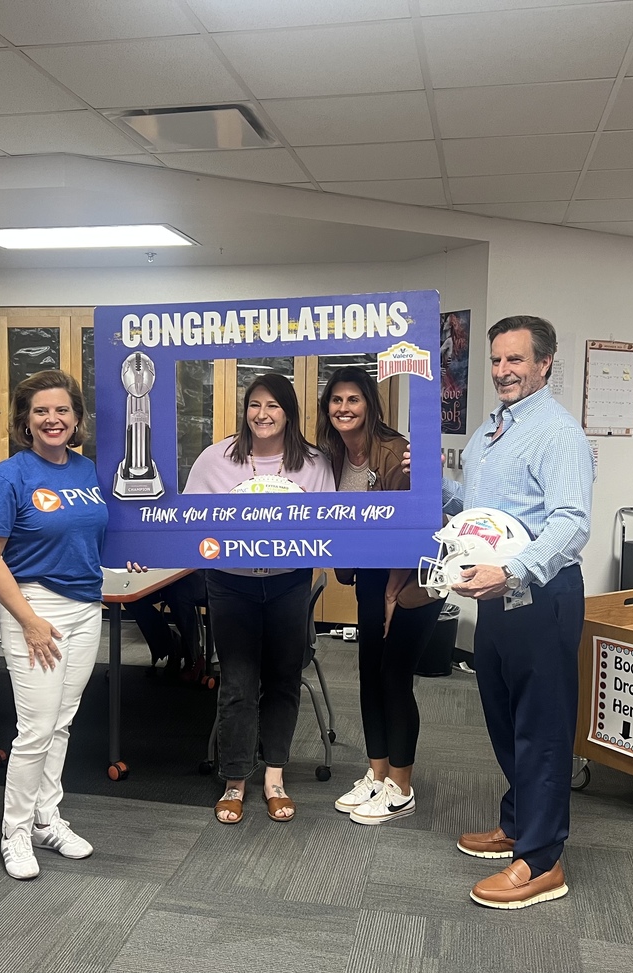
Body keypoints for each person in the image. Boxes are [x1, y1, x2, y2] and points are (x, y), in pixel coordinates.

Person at [442, 315, 593, 909]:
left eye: (515, 361)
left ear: (544, 364)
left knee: (543, 730)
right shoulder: (489, 432)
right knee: (503, 716)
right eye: (497, 361)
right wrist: (428, 483)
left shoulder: (559, 433)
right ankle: (516, 823)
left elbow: (571, 524)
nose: (503, 372)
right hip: (497, 599)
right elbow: (475, 509)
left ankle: (541, 859)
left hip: (541, 596)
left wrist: (511, 570)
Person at [0, 370, 109, 880]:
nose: (53, 419)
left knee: (62, 722)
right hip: (36, 609)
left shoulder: (86, 469)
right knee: (34, 730)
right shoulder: (9, 476)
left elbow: (88, 536)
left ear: (77, 419)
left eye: (62, 411)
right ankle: (14, 831)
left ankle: (46, 818)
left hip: (85, 607)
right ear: (24, 421)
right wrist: (28, 621)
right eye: (41, 412)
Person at [184, 373, 334, 824]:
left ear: (288, 412)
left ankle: (274, 778)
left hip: (289, 582)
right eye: (254, 405)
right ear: (245, 410)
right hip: (230, 583)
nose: (262, 414)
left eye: (272, 406)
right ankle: (234, 780)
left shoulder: (312, 462)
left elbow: (328, 524)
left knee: (284, 678)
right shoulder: (216, 459)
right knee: (238, 682)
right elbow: (188, 523)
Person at [315, 366, 444, 826]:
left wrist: (394, 589)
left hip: (413, 581)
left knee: (394, 677)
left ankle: (401, 787)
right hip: (371, 577)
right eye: (336, 400)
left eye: (353, 399)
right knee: (370, 672)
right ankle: (377, 774)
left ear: (369, 403)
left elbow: (416, 527)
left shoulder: (396, 451)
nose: (344, 408)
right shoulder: (330, 456)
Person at [122, 572, 207, 678]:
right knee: (132, 598)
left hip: (197, 575)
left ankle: (193, 656)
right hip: (160, 574)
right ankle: (171, 645)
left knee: (179, 594)